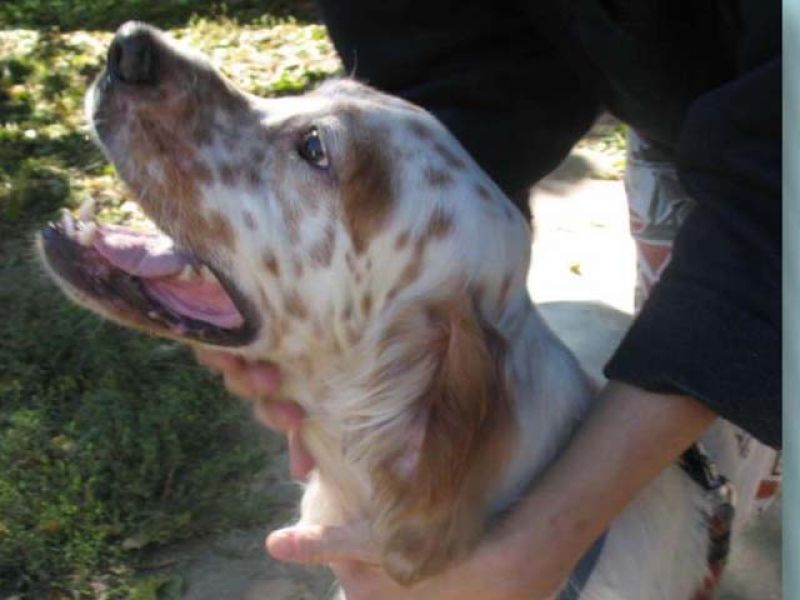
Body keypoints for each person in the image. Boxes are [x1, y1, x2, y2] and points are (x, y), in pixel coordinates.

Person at [197, 1, 781, 598]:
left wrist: (547, 537)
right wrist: (354, 340)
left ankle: (745, 495)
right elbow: (444, 76)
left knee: (738, 407)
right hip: (684, 103)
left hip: (765, 131)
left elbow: (767, 231)